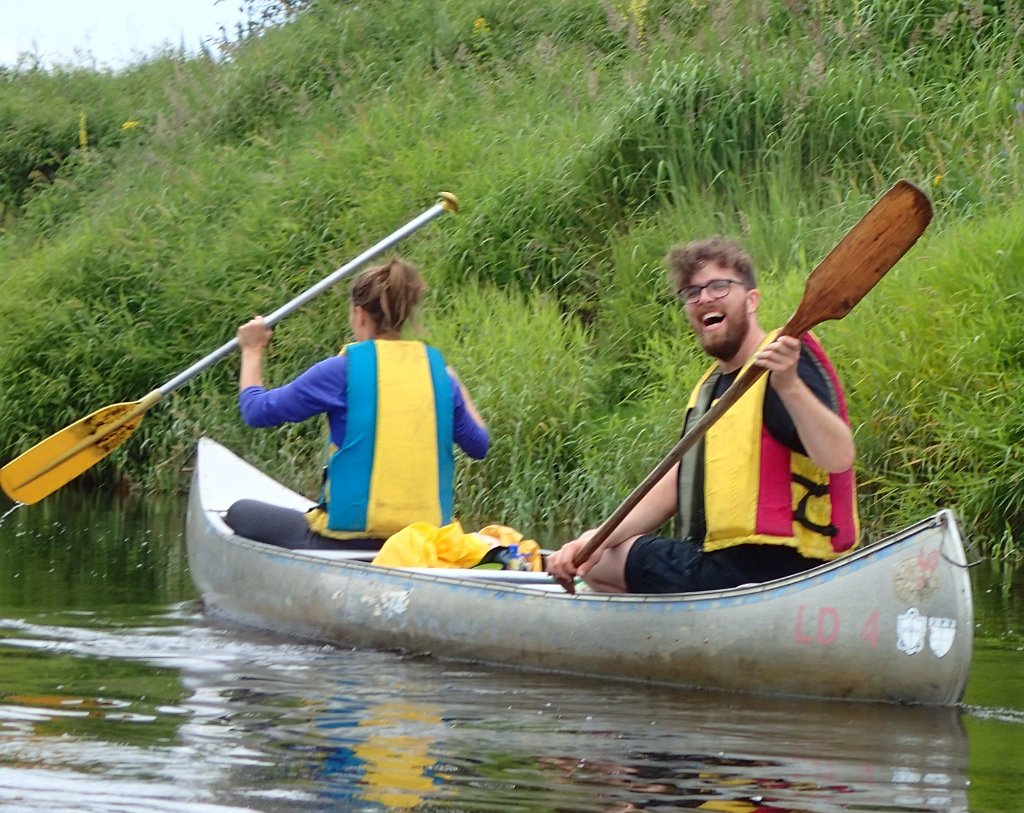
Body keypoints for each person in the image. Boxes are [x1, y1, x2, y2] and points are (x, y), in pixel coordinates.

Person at [546, 237, 859, 593]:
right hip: (723, 566)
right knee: (599, 555)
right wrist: (597, 539)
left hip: (789, 567)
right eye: (692, 293)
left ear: (752, 300)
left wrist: (789, 386)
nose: (704, 298)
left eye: (719, 286)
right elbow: (676, 481)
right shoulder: (710, 388)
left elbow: (838, 456)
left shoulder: (787, 359)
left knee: (604, 566)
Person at [224, 257, 489, 550]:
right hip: (422, 544)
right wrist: (458, 387)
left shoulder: (341, 371)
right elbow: (479, 446)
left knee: (240, 512)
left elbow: (256, 411)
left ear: (360, 314)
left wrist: (252, 350)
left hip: (350, 543)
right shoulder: (440, 376)